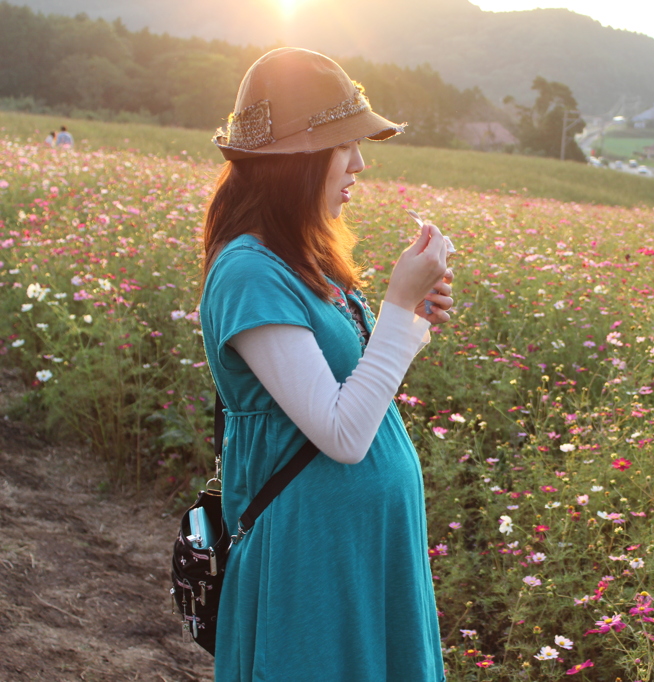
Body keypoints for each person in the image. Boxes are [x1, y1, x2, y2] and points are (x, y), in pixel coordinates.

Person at [199, 47, 452, 681]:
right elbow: (342, 435)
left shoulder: (302, 259)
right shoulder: (249, 273)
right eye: (344, 146)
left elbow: (353, 387)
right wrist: (396, 306)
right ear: (297, 161)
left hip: (358, 551)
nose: (359, 163)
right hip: (311, 558)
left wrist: (411, 319)